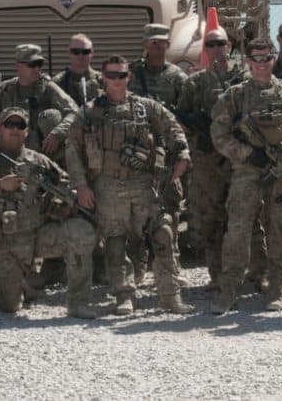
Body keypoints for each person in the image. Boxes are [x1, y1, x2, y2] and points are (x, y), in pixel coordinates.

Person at [67, 56, 193, 315]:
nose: (116, 80)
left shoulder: (146, 108)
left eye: (121, 75)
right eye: (111, 75)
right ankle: (123, 295)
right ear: (102, 77)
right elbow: (72, 150)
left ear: (129, 77)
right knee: (115, 241)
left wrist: (182, 155)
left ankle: (169, 295)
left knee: (163, 233)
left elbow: (173, 129)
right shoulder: (89, 112)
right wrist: (81, 186)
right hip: (107, 185)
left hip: (144, 183)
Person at [0, 108, 97, 319]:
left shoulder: (39, 160)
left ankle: (78, 303)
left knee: (82, 232)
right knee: (8, 306)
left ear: (27, 132)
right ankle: (21, 284)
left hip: (39, 233)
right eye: (9, 125)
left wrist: (66, 200)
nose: (15, 130)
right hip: (5, 241)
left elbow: (65, 184)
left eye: (20, 126)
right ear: (0, 129)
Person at [209, 39, 282, 313]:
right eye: (256, 58)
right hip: (247, 172)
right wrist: (246, 153)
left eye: (266, 58)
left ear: (273, 59)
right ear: (248, 61)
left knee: (279, 231)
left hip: (281, 173)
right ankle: (229, 290)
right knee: (238, 231)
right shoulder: (235, 95)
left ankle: (276, 289)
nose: (261, 64)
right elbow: (219, 135)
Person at [176, 27, 267, 288]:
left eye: (221, 44)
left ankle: (257, 273)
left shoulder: (245, 80)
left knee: (251, 216)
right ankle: (218, 275)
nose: (216, 49)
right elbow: (181, 119)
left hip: (242, 160)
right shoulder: (195, 83)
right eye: (211, 44)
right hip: (208, 161)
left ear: (229, 46)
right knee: (211, 217)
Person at [126, 23, 190, 285]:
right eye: (151, 42)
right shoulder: (131, 73)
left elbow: (184, 118)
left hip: (165, 151)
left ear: (167, 45)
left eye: (160, 42)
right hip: (136, 152)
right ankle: (136, 270)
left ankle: (171, 268)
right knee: (134, 214)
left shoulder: (177, 77)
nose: (156, 46)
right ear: (144, 44)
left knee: (170, 211)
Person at [0, 44, 77, 159]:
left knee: (52, 116)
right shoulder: (4, 89)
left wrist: (58, 134)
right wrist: (10, 128)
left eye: (39, 64)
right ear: (18, 66)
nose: (37, 69)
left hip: (43, 154)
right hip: (10, 153)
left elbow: (74, 112)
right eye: (32, 65)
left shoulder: (48, 88)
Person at [53, 33, 105, 107]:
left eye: (85, 51)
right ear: (69, 53)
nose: (80, 56)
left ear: (92, 53)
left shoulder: (103, 81)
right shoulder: (57, 83)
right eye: (76, 51)